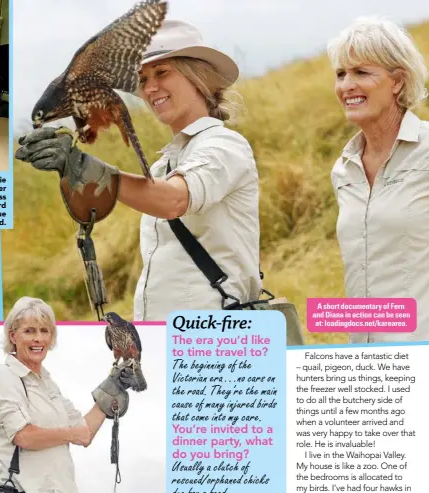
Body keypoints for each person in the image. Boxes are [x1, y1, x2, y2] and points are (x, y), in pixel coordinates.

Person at [15, 20, 261, 321]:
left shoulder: (224, 145)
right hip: (165, 334)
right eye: (142, 79)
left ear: (198, 77)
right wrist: (71, 168)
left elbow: (174, 200)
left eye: (162, 72)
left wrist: (94, 170)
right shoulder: (163, 166)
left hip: (213, 336)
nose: (150, 87)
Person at [328, 17, 429, 343]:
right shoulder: (343, 169)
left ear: (397, 81)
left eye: (361, 72)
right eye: (341, 74)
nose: (346, 85)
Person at [0, 296, 136, 493]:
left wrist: (113, 388)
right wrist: (70, 434)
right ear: (13, 336)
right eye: (29, 331)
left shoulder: (47, 383)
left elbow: (84, 433)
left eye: (45, 331)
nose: (38, 339)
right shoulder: (5, 376)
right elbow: (23, 436)